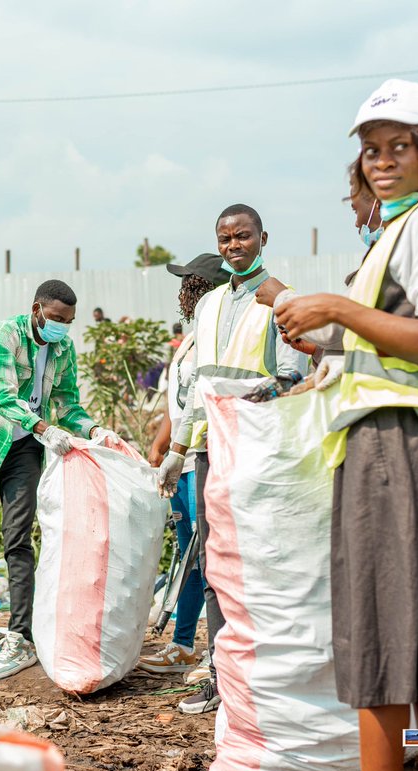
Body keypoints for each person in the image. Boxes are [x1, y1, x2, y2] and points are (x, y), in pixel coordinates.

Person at [276, 79, 418, 771]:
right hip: (403, 448)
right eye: (371, 150)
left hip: (400, 451)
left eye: (399, 146)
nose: (382, 161)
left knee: (386, 638)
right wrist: (328, 337)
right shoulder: (396, 231)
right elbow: (388, 339)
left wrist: (335, 307)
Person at [156, 206, 307, 715]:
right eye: (225, 238)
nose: (234, 244)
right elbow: (199, 387)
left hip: (257, 450)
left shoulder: (278, 300)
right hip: (207, 451)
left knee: (257, 560)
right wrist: (177, 451)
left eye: (243, 236)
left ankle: (260, 676)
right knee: (213, 560)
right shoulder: (211, 304)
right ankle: (223, 676)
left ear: (263, 237)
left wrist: (248, 401)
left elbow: (291, 376)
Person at [0, 280, 116, 681]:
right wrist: (44, 427)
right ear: (37, 309)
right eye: (56, 319)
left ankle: (20, 638)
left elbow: (67, 402)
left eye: (68, 322)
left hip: (25, 448)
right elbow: (3, 397)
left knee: (17, 537)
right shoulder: (6, 334)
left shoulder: (63, 348)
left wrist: (94, 431)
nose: (61, 328)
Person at [139, 255, 226, 676]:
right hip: (183, 458)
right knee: (189, 554)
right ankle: (183, 644)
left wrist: (178, 449)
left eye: (185, 283)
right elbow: (179, 403)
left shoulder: (211, 336)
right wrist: (160, 446)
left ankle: (215, 651)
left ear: (199, 287)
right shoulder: (191, 338)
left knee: (205, 556)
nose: (179, 293)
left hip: (201, 457)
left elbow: (201, 402)